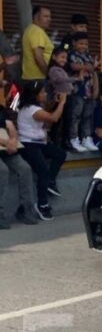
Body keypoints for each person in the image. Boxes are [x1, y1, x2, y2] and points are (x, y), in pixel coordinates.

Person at [17, 81, 66, 221]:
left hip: (39, 142)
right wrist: (62, 103)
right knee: (43, 171)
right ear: (35, 95)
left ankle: (50, 182)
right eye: (42, 92)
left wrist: (55, 103)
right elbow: (53, 118)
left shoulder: (35, 108)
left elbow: (46, 113)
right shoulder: (31, 109)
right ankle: (42, 204)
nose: (45, 94)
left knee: (60, 154)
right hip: (28, 144)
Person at [0, 75, 37, 228]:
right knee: (2, 170)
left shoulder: (1, 109)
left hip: (7, 148)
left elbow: (10, 126)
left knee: (25, 169)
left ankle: (26, 210)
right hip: (4, 145)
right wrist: (6, 142)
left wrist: (13, 140)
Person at [66, 32, 98, 152]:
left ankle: (86, 138)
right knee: (76, 115)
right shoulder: (71, 54)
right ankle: (73, 138)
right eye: (81, 43)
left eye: (86, 44)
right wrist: (87, 67)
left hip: (88, 90)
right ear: (74, 43)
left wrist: (95, 87)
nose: (84, 46)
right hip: (77, 91)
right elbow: (73, 66)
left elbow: (93, 70)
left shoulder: (88, 55)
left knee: (88, 116)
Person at [46, 48, 76, 149]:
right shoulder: (53, 69)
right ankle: (55, 141)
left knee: (68, 120)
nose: (64, 60)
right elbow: (59, 79)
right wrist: (74, 78)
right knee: (58, 120)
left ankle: (64, 141)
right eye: (62, 57)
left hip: (68, 96)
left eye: (66, 58)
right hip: (60, 97)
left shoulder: (61, 69)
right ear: (54, 57)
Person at [21, 6, 54, 83]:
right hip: (38, 78)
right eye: (45, 16)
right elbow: (38, 56)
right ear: (36, 17)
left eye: (49, 17)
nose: (49, 19)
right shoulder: (37, 31)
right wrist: (48, 74)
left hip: (32, 77)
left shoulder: (31, 29)